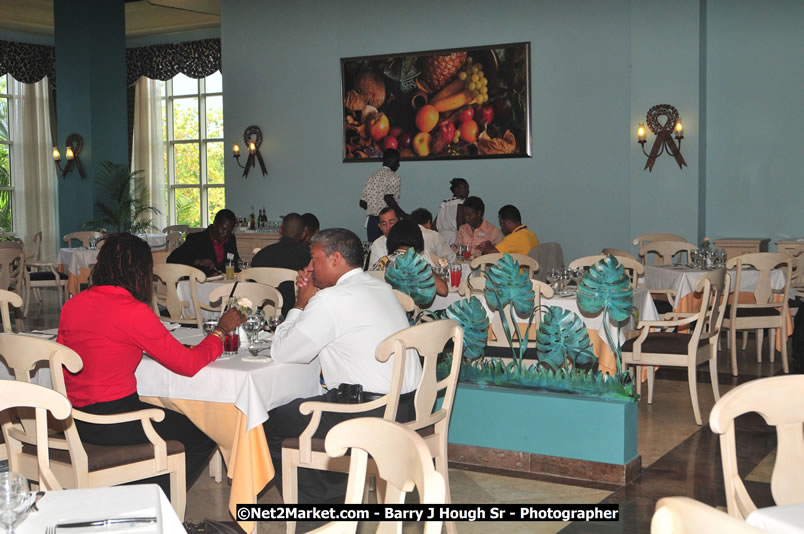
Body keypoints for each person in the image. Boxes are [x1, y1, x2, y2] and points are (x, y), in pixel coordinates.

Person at [57, 233, 246, 495]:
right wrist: (220, 332)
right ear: (141, 271)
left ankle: (128, 493)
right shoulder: (132, 310)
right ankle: (150, 500)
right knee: (203, 436)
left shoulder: (72, 305)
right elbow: (188, 365)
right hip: (114, 420)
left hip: (74, 417)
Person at [264, 228, 423, 504]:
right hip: (407, 408)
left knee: (267, 419)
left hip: (365, 413)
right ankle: (338, 489)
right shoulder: (381, 287)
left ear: (335, 259)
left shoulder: (331, 300)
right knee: (309, 402)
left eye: (315, 260)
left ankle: (323, 506)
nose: (309, 268)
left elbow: (282, 351)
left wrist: (301, 304)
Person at [251, 213, 312, 316]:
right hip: (294, 314)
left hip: (262, 314)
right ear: (303, 234)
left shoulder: (261, 255)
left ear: (280, 230)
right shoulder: (309, 257)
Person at [370, 220, 448, 298]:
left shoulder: (382, 262)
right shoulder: (417, 263)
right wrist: (428, 269)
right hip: (407, 309)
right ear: (418, 239)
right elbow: (443, 290)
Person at [167, 209, 241, 276]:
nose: (226, 233)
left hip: (223, 285)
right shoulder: (197, 239)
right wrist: (199, 261)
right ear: (215, 223)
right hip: (199, 285)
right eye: (223, 229)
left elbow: (235, 263)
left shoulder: (231, 239)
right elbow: (172, 259)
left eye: (229, 231)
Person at [359, 148, 402, 242]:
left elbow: (362, 202)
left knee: (374, 251)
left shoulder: (372, 177)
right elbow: (388, 198)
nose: (398, 165)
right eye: (398, 162)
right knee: (390, 251)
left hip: (372, 222)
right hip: (388, 222)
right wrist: (403, 215)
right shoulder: (394, 176)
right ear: (392, 160)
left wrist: (374, 209)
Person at [436, 178, 469, 246]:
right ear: (456, 189)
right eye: (465, 188)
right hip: (454, 238)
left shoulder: (444, 203)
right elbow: (460, 225)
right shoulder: (461, 203)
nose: (468, 191)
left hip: (441, 237)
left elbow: (434, 225)